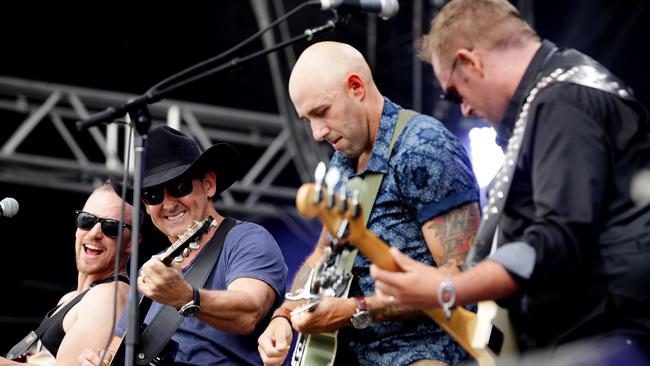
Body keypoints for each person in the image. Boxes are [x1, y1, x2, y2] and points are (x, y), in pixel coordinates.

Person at [371, 0, 650, 358]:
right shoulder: (558, 94)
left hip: (603, 340)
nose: (466, 109)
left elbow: (555, 237)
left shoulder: (562, 102)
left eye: (453, 93)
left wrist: (449, 287)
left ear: (470, 62)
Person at [258, 41, 481, 366]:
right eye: (307, 120)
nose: (317, 133)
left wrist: (355, 311)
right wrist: (284, 315)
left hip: (425, 352)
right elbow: (325, 251)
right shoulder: (342, 160)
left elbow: (462, 280)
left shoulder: (424, 148)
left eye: (321, 112)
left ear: (356, 88)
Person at [78, 125, 288, 366]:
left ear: (208, 184)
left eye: (180, 187)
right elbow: (119, 350)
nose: (168, 203)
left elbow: (249, 312)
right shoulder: (152, 271)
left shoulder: (246, 239)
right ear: (145, 206)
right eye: (154, 195)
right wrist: (101, 360)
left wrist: (186, 297)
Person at [1, 183, 133, 366]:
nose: (95, 233)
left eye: (112, 227)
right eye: (87, 220)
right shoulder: (72, 298)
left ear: (131, 242)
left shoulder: (108, 295)